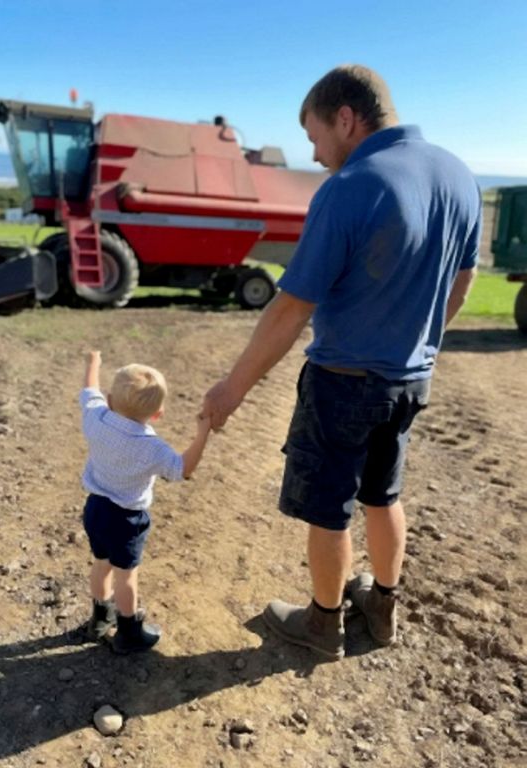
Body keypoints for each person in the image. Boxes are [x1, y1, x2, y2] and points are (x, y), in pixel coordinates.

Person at [202, 64, 481, 660]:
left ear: (347, 119)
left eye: (314, 137)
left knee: (330, 508)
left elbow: (291, 307)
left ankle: (322, 623)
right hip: (410, 379)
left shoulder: (351, 185)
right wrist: (421, 340)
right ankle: (382, 609)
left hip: (343, 384)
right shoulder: (458, 175)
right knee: (384, 494)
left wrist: (232, 389)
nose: (316, 153)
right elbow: (463, 280)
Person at [80, 351, 211, 654]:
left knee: (101, 563)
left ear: (110, 399)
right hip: (127, 520)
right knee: (127, 576)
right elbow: (183, 469)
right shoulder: (152, 448)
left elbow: (89, 390)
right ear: (157, 414)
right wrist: (202, 433)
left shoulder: (96, 418)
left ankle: (100, 617)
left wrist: (93, 364)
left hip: (96, 509)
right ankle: (128, 632)